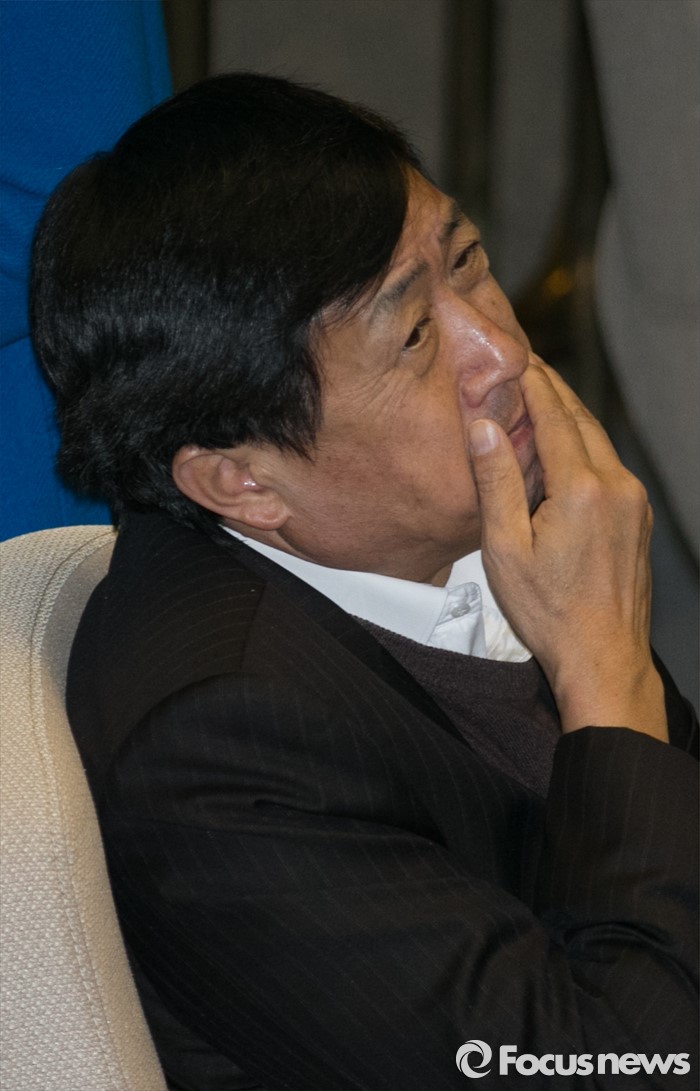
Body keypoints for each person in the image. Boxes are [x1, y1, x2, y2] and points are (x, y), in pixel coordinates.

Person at [30, 74, 697, 1090]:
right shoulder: (220, 747)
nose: (503, 349)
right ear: (243, 480)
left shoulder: (458, 529)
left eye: (467, 263)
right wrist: (605, 672)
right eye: (417, 336)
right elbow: (617, 1064)